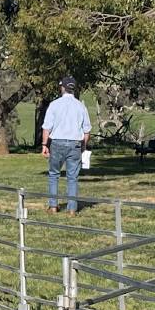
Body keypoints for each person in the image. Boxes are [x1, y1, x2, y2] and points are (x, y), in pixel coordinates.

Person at [41, 76, 92, 213]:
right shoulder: (81, 107)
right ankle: (72, 209)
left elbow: (47, 127)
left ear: (62, 88)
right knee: (72, 177)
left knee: (53, 174)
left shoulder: (54, 105)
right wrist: (83, 147)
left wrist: (44, 145)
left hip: (56, 143)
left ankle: (53, 206)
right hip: (75, 143)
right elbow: (87, 131)